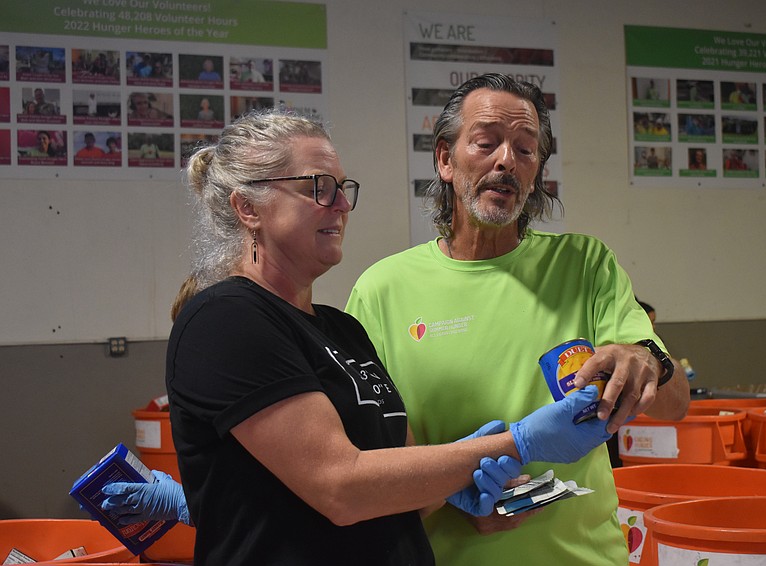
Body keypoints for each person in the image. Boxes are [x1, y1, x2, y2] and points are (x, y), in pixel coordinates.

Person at [111, 108, 612, 565]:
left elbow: (392, 480)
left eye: (341, 189)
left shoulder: (343, 330)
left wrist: (455, 483)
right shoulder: (224, 320)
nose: (340, 207)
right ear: (248, 207)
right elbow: (341, 487)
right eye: (317, 188)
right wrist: (518, 442)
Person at [345, 73, 690, 565]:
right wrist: (451, 492)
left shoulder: (585, 265)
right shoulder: (381, 290)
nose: (506, 160)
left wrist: (645, 360)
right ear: (445, 159)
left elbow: (675, 407)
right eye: (486, 143)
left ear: (535, 175)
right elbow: (365, 474)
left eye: (526, 151)